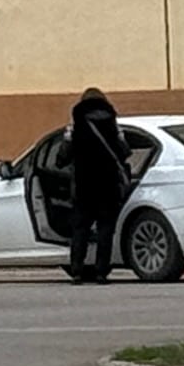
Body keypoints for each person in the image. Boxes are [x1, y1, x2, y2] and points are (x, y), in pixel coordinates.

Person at [61, 86, 134, 284]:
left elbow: (62, 158)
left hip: (84, 187)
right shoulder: (112, 124)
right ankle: (102, 272)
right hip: (108, 186)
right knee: (105, 230)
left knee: (80, 230)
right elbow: (125, 153)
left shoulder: (77, 126)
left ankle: (77, 271)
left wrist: (69, 139)